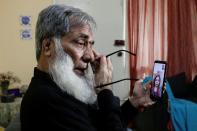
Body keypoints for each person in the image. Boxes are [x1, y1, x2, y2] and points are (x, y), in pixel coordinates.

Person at [20, 4, 153, 131]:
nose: (89, 56)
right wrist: (105, 90)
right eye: (81, 43)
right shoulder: (45, 99)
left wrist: (134, 102)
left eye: (90, 45)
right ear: (48, 46)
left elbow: (102, 126)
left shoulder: (62, 87)